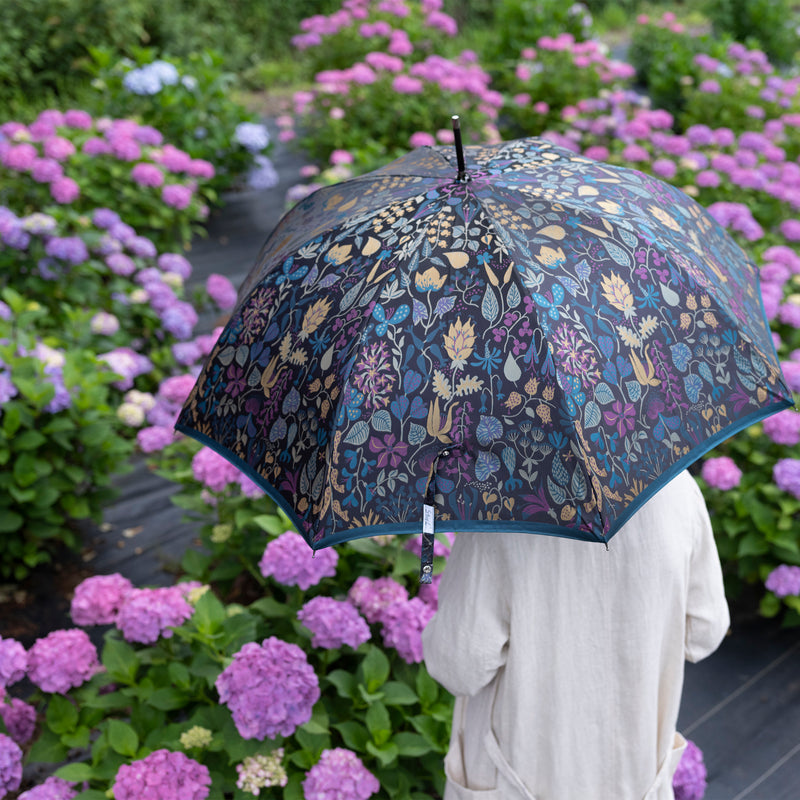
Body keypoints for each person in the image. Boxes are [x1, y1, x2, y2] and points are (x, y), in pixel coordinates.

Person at [422, 470, 730, 800]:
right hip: (636, 773)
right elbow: (704, 631)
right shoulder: (674, 487)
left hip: (521, 773)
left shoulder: (499, 511)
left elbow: (457, 666)